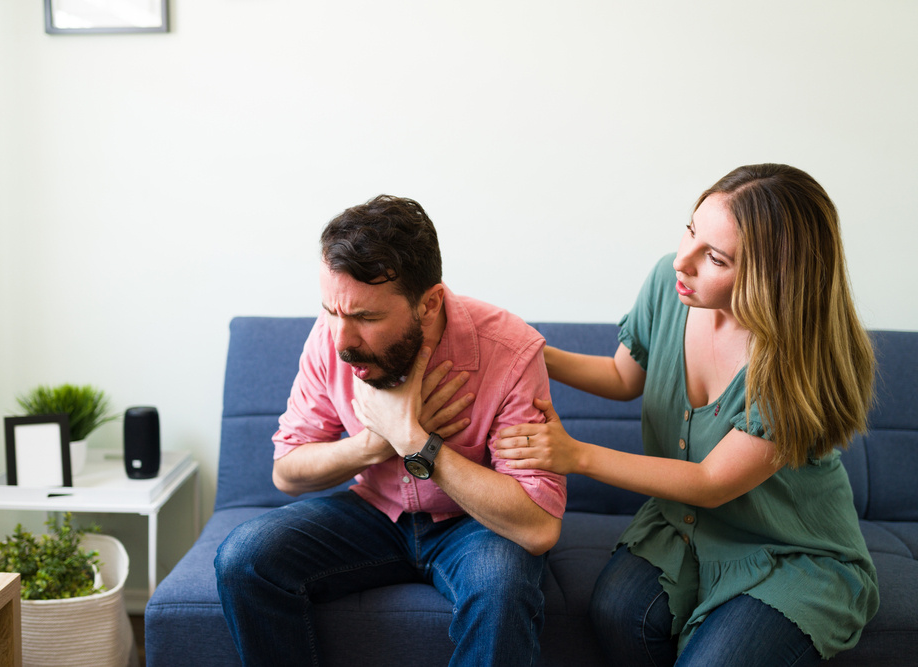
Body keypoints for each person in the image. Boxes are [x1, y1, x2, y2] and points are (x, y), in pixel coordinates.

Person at [496, 163, 879, 666]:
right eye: (691, 230)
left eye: (714, 257)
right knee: (615, 612)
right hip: (683, 529)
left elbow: (711, 482)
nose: (682, 260)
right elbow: (622, 377)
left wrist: (575, 455)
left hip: (788, 551)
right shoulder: (670, 284)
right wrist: (524, 347)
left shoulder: (795, 365)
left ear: (773, 277)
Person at [215, 194, 566, 666]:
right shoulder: (331, 333)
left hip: (475, 525)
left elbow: (539, 526)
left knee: (501, 591)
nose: (342, 341)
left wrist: (415, 442)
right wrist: (374, 444)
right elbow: (287, 471)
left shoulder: (510, 351)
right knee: (244, 559)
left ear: (430, 303)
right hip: (374, 513)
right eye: (332, 312)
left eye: (366, 317)